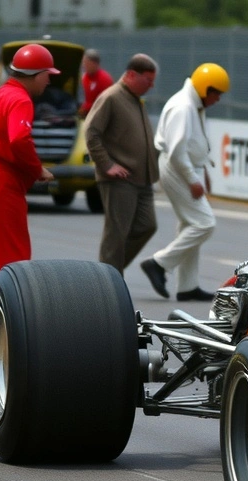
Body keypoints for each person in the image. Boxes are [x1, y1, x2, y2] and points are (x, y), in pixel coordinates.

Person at [0, 44, 59, 337]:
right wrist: (37, 168)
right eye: (47, 74)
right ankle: (17, 322)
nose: (49, 80)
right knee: (14, 254)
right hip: (3, 179)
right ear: (35, 74)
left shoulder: (0, 93)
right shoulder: (20, 99)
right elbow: (19, 139)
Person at [141, 63, 229, 302]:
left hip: (187, 168)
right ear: (205, 89)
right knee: (205, 224)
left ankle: (188, 286)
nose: (218, 99)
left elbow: (193, 145)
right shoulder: (183, 107)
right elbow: (177, 151)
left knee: (190, 225)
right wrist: (192, 179)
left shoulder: (194, 104)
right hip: (177, 168)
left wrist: (202, 173)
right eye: (216, 93)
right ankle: (158, 263)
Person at [85, 54, 158, 272]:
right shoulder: (112, 97)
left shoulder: (134, 98)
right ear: (131, 75)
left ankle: (109, 271)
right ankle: (108, 278)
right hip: (120, 180)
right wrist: (107, 165)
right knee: (116, 233)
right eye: (148, 80)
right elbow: (91, 132)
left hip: (142, 178)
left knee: (147, 226)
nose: (151, 85)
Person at [79, 48, 114, 118]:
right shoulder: (84, 78)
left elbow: (105, 103)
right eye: (83, 62)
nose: (84, 65)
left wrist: (86, 108)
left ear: (94, 64)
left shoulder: (105, 79)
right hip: (85, 115)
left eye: (86, 63)